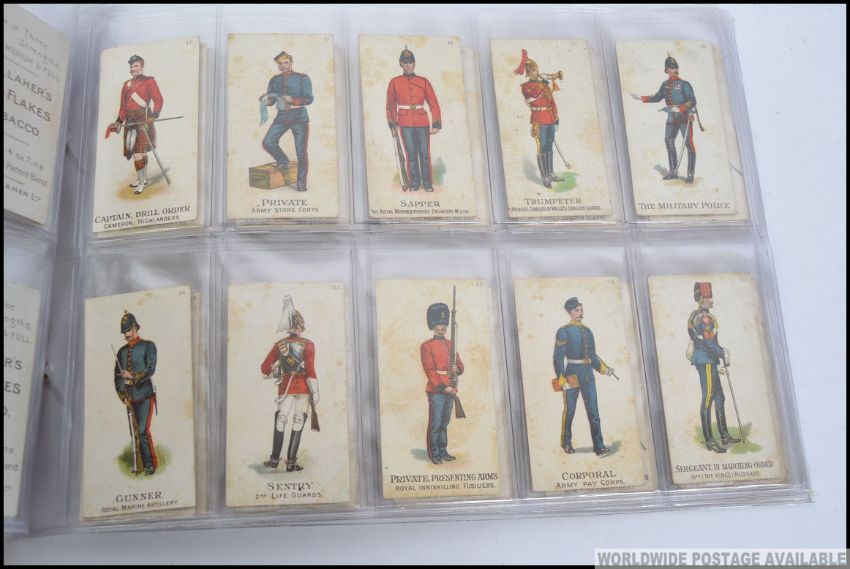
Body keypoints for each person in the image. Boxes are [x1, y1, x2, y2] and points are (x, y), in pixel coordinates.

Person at [260, 297, 318, 472]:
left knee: (281, 420)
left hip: (285, 388)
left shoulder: (279, 345)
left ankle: (274, 460)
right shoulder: (309, 344)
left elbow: (264, 369)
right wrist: (315, 392)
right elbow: (310, 371)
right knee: (298, 421)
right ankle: (291, 463)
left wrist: (278, 372)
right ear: (300, 325)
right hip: (304, 389)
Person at [553, 297, 616, 457]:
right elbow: (558, 358)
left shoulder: (588, 331)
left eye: (581, 310)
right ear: (570, 312)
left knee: (594, 412)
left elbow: (592, 356)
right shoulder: (564, 331)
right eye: (577, 310)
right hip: (572, 376)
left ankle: (599, 446)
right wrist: (562, 380)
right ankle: (566, 442)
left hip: (588, 376)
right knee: (570, 411)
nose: (580, 313)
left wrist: (605, 369)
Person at [688, 282, 741, 453]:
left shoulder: (698, 316)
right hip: (706, 360)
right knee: (708, 399)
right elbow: (708, 343)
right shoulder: (704, 318)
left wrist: (721, 356)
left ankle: (724, 435)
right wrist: (722, 353)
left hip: (710, 360)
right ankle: (710, 440)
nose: (712, 300)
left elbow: (711, 342)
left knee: (719, 398)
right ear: (702, 299)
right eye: (709, 297)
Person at [630, 54, 698, 183]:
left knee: (689, 144)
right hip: (671, 118)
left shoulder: (684, 84)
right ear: (667, 70)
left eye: (676, 68)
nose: (675, 70)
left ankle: (690, 174)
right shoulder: (665, 84)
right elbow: (657, 97)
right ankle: (673, 172)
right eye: (672, 68)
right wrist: (642, 98)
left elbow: (692, 101)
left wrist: (681, 108)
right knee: (669, 141)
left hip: (685, 118)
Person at [105, 55, 164, 195]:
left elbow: (158, 99)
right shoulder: (127, 85)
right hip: (130, 120)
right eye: (131, 66)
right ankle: (143, 179)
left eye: (136, 65)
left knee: (139, 152)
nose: (133, 68)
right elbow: (123, 106)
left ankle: (141, 181)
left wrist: (154, 115)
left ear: (142, 67)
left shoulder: (149, 81)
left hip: (143, 118)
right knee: (137, 152)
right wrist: (119, 121)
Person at [386, 46, 441, 192]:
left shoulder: (424, 81)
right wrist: (392, 124)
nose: (409, 65)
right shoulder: (394, 82)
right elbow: (390, 104)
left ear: (414, 63)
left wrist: (436, 123)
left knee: (424, 154)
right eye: (405, 63)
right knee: (410, 154)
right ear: (401, 64)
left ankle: (427, 183)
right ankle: (415, 183)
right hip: (404, 123)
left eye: (411, 62)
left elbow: (433, 103)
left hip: (422, 122)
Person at [259, 51, 314, 192]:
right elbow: (271, 101)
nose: (283, 65)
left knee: (301, 152)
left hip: (299, 118)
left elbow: (309, 99)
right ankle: (283, 161)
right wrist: (265, 100)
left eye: (285, 62)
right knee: (268, 142)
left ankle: (301, 183)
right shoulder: (274, 80)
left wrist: (293, 100)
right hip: (282, 117)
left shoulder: (302, 78)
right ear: (277, 64)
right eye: (280, 63)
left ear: (291, 63)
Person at [114, 310, 158, 475]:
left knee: (142, 431)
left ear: (134, 327)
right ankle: (138, 465)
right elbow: (117, 378)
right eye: (124, 332)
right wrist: (122, 396)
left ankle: (149, 465)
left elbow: (150, 369)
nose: (125, 335)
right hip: (129, 398)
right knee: (133, 432)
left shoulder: (149, 346)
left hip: (145, 395)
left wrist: (132, 376)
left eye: (127, 330)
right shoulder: (121, 352)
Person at [420, 302, 464, 464]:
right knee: (436, 422)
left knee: (445, 422)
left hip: (451, 387)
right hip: (437, 389)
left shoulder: (450, 344)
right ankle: (435, 453)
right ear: (433, 325)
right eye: (439, 324)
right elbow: (430, 371)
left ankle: (443, 450)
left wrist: (457, 369)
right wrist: (444, 387)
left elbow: (460, 365)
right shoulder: (427, 346)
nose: (442, 327)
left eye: (444, 324)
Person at [514, 49, 564, 189]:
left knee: (549, 145)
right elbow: (534, 96)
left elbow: (552, 102)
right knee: (542, 147)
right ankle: (545, 177)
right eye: (534, 71)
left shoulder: (544, 85)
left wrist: (556, 118)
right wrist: (544, 83)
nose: (537, 72)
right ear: (528, 73)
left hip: (550, 119)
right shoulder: (526, 87)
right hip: (538, 121)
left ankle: (550, 173)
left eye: (537, 70)